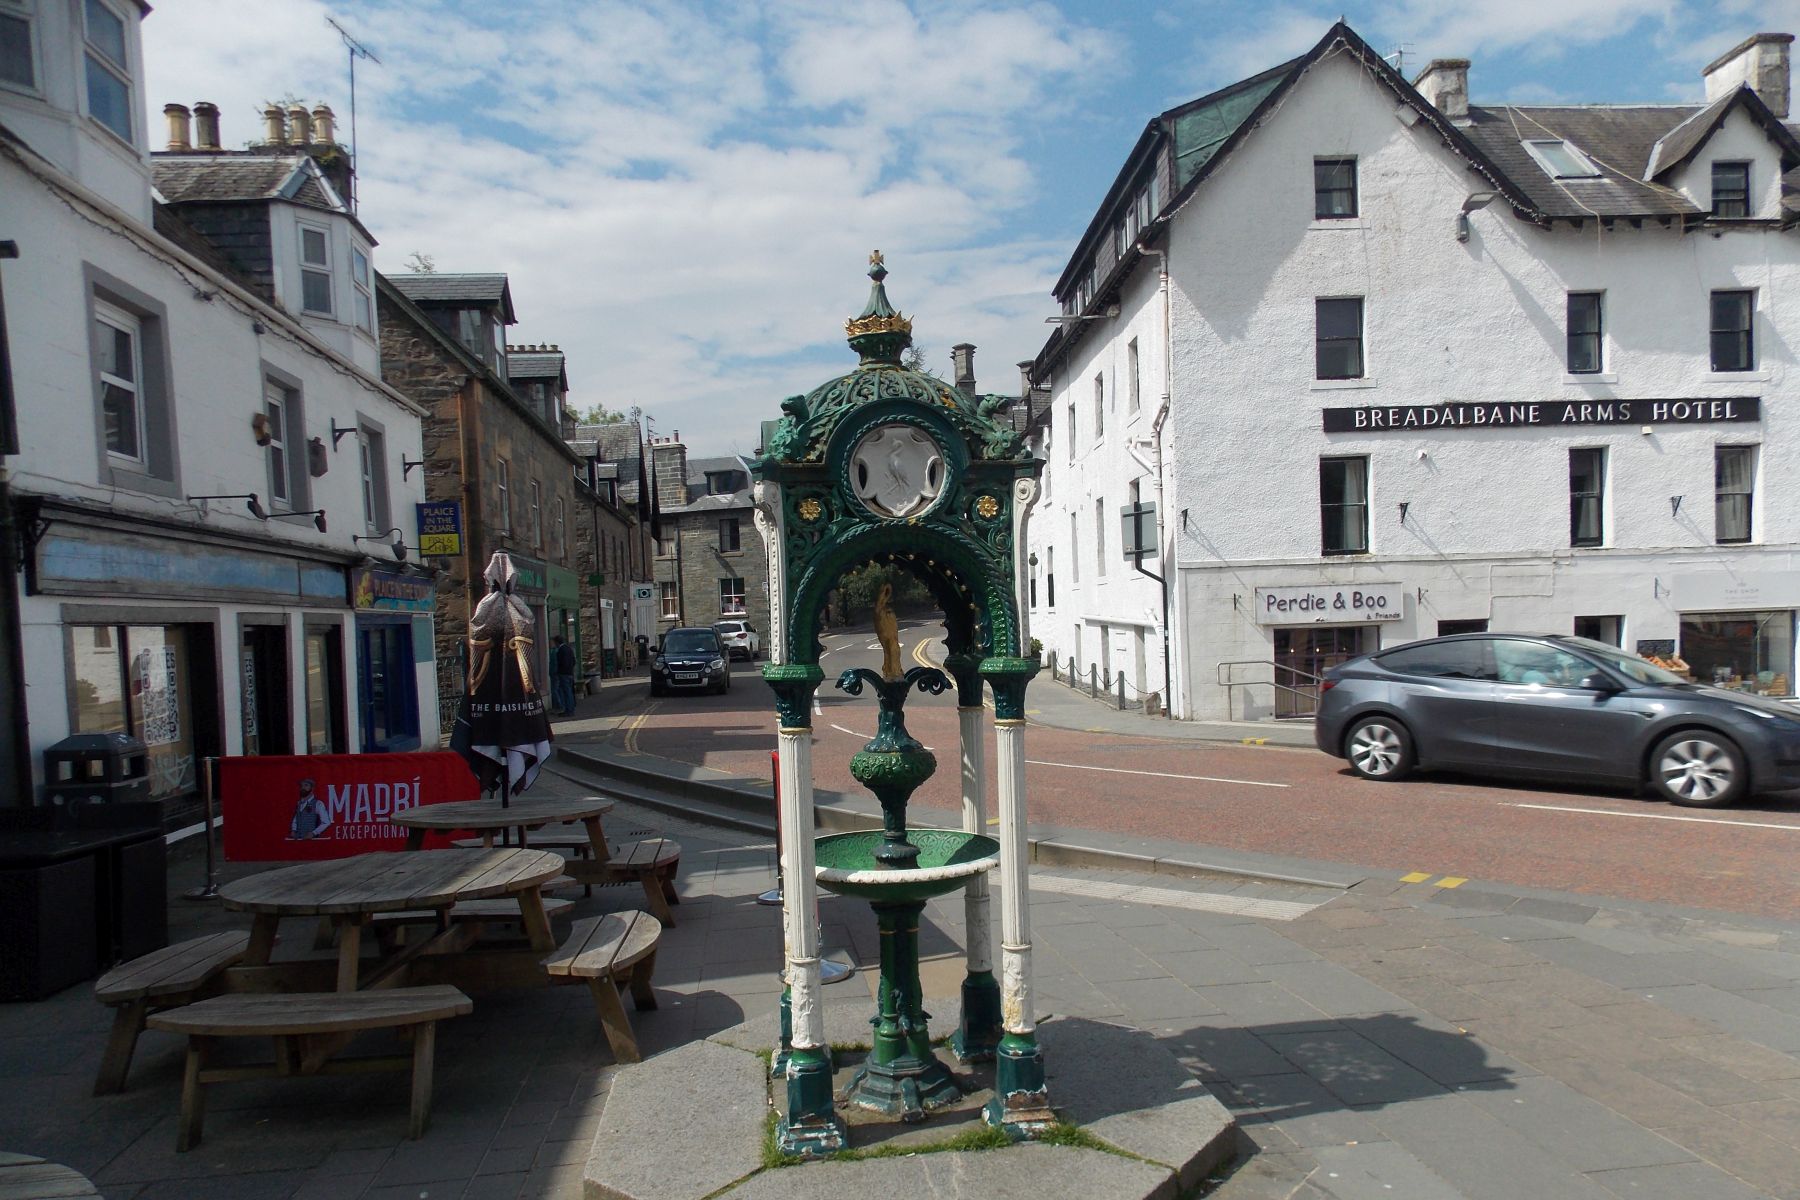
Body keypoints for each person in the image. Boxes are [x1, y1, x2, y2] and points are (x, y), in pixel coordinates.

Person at [551, 635, 578, 717]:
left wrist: (560, 671)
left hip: (564, 674)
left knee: (566, 692)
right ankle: (570, 709)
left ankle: (568, 710)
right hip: (570, 673)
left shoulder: (561, 650)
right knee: (569, 691)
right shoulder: (569, 648)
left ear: (557, 642)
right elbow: (573, 661)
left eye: (554, 642)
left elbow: (564, 662)